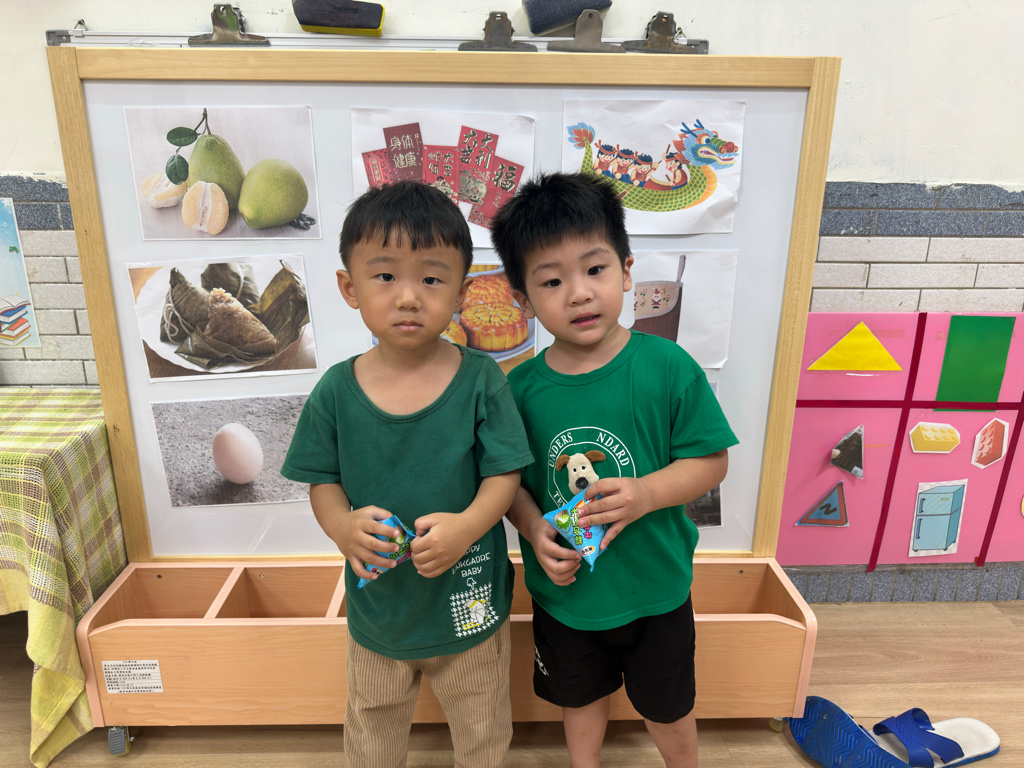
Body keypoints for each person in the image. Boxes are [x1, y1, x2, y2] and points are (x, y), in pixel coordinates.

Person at [490, 171, 738, 768]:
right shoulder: (518, 389)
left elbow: (711, 461)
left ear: (627, 272)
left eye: (595, 269)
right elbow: (509, 484)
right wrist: (533, 529)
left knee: (669, 706)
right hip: (567, 593)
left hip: (657, 589)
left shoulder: (668, 366)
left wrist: (647, 492)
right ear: (523, 300)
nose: (578, 294)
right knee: (578, 698)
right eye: (552, 281)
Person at [281, 180, 533, 767]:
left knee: (483, 731)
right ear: (350, 287)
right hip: (380, 610)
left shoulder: (482, 379)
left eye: (432, 279)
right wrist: (341, 528)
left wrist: (467, 527)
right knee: (371, 730)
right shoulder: (336, 391)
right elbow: (322, 481)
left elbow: (504, 476)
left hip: (470, 601)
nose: (409, 297)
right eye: (385, 275)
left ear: (462, 293)